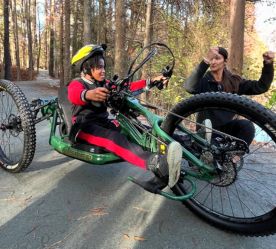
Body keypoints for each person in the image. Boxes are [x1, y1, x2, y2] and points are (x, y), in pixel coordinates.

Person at [67, 44, 182, 190]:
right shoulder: (77, 83)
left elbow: (128, 87)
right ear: (86, 69)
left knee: (139, 129)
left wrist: (152, 81)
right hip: (84, 127)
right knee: (114, 139)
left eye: (103, 67)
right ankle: (156, 163)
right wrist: (88, 94)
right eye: (99, 67)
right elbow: (74, 94)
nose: (103, 71)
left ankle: (185, 142)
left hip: (104, 122)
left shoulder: (104, 83)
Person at [184, 47, 274, 145]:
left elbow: (261, 87)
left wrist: (268, 64)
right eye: (211, 58)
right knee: (213, 152)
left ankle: (235, 158)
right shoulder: (204, 80)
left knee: (247, 126)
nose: (213, 61)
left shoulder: (234, 82)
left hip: (227, 129)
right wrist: (205, 61)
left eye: (217, 58)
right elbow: (189, 87)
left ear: (225, 61)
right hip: (207, 131)